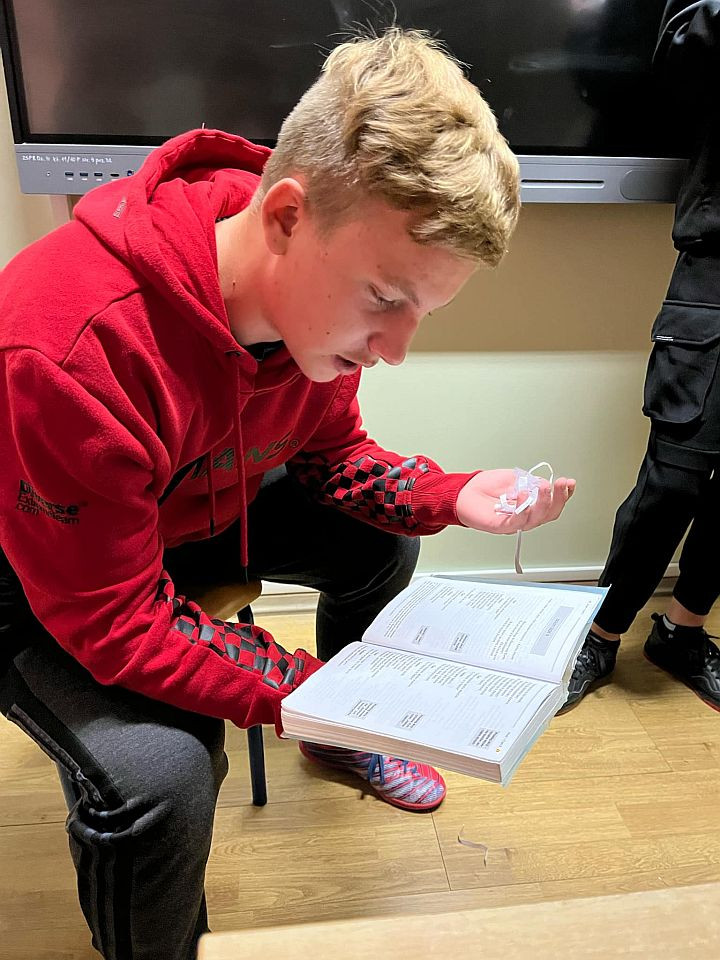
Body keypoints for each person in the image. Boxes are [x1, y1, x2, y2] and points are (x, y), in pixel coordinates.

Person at [0, 29, 575, 960]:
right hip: (41, 573)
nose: (395, 350)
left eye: (423, 313)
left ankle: (333, 737)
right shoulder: (69, 347)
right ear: (286, 216)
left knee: (378, 543)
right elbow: (114, 621)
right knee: (163, 776)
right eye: (384, 298)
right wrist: (324, 690)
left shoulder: (309, 320)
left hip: (189, 512)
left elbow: (332, 457)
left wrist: (454, 494)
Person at [560, 1, 720, 714]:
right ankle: (600, 635)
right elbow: (678, 52)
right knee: (672, 481)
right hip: (716, 271)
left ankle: (683, 630)